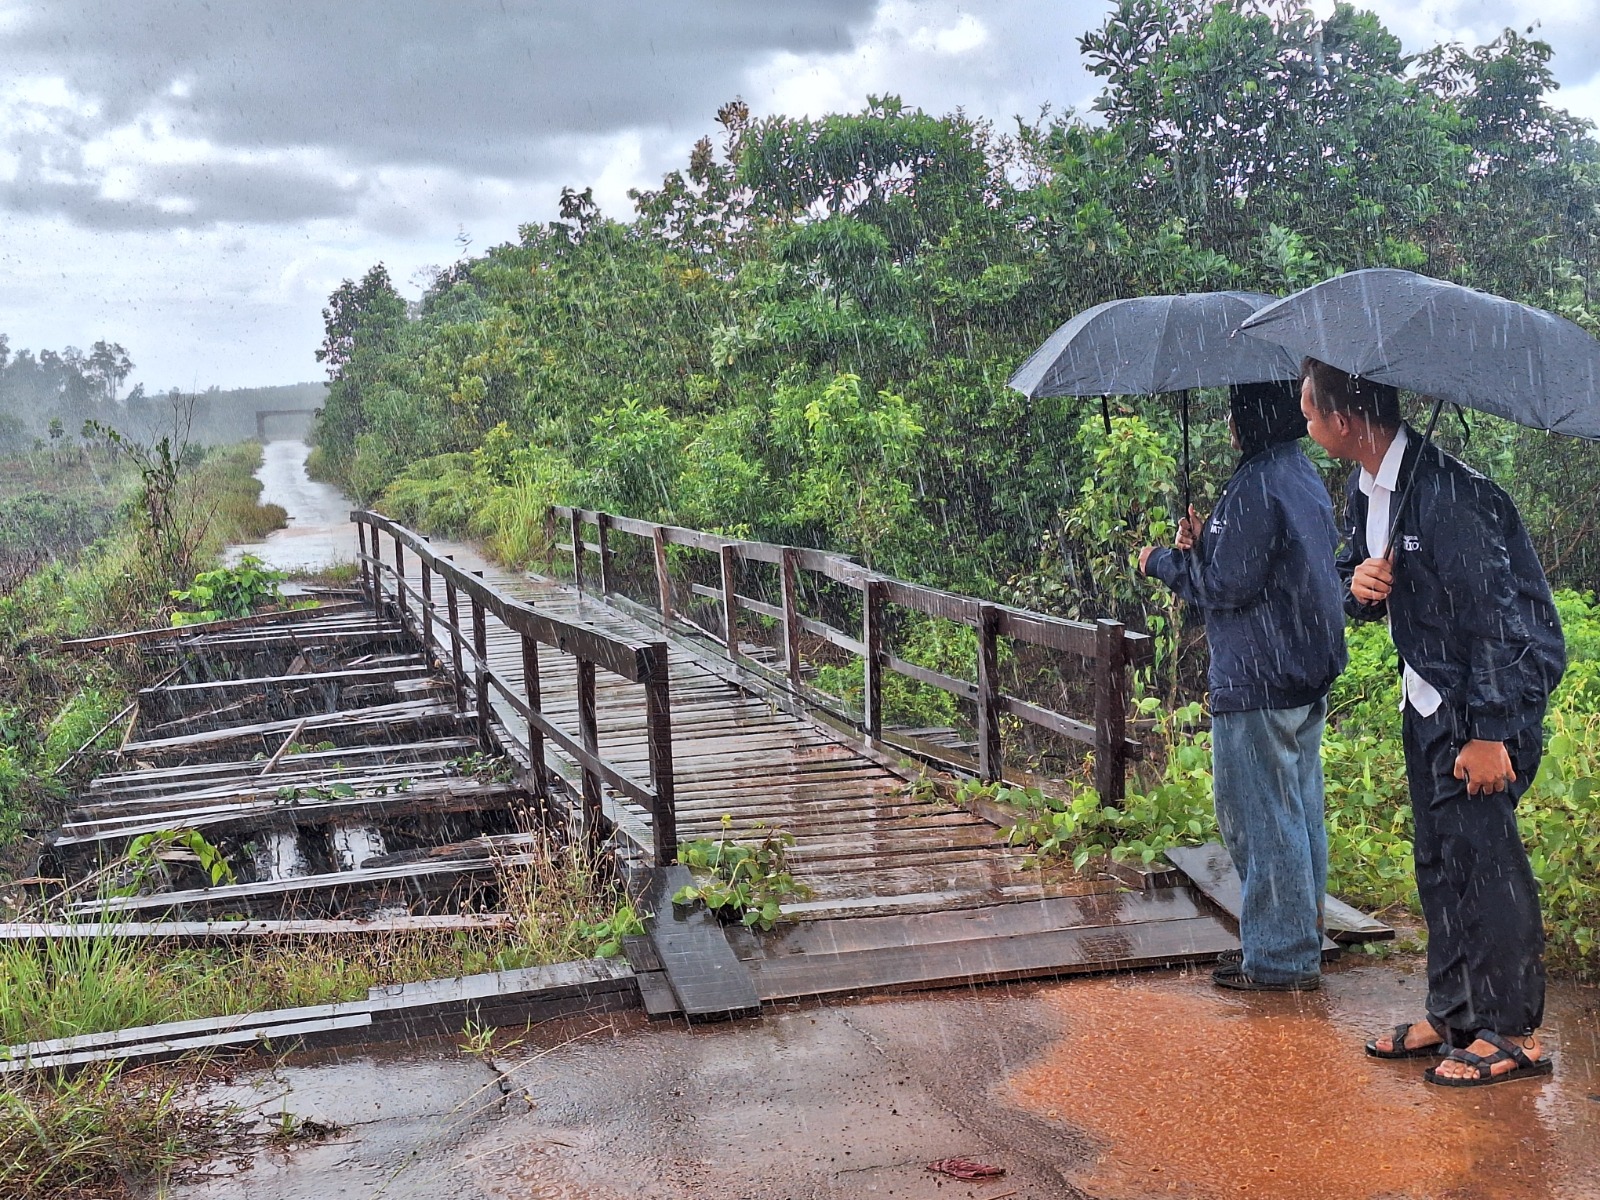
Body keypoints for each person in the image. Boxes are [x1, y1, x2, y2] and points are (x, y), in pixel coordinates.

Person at [1298, 358, 1565, 1087]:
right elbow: (1360, 578)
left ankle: (1512, 1032)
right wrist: (1360, 587)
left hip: (1484, 707)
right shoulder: (1372, 487)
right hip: (1429, 696)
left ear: (1345, 419)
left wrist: (1490, 733)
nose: (1308, 424)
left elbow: (1501, 624)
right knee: (1440, 862)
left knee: (1487, 866)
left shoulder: (1451, 496)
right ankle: (1455, 1013)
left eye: (1310, 412)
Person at [1139, 381, 1347, 991]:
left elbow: (1228, 585)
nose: (1228, 423)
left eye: (1233, 411)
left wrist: (1163, 561)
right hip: (1301, 671)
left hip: (1258, 675)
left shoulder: (1256, 482)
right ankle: (1296, 943)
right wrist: (1207, 543)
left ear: (1250, 418)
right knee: (1299, 811)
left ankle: (1281, 960)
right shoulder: (1297, 472)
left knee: (1261, 819)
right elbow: (1267, 563)